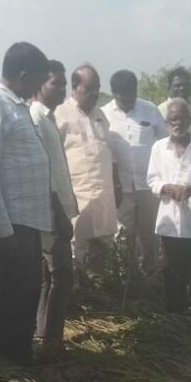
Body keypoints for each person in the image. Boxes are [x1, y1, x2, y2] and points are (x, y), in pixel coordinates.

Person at [0, 42, 52, 364]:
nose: (39, 87)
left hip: (29, 218)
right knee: (11, 294)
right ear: (23, 75)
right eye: (37, 80)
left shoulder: (17, 105)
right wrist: (3, 232)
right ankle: (8, 359)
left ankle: (22, 350)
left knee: (28, 290)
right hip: (12, 222)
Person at [146, 99, 191, 314]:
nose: (177, 123)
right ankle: (174, 312)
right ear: (167, 122)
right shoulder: (159, 148)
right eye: (172, 119)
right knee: (172, 269)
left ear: (189, 120)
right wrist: (167, 187)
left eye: (181, 118)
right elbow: (151, 180)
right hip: (170, 220)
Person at [31, 60, 77, 358]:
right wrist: (60, 214)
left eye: (64, 84)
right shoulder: (35, 118)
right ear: (39, 85)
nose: (62, 89)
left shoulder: (48, 117)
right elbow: (44, 173)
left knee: (50, 276)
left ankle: (44, 334)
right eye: (55, 83)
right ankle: (51, 340)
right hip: (50, 212)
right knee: (61, 274)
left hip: (55, 209)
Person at [102, 69, 168, 272]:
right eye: (124, 95)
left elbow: (165, 142)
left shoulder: (150, 110)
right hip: (121, 188)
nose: (129, 99)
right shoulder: (104, 114)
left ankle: (150, 276)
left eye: (132, 93)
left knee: (149, 234)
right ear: (114, 93)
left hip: (148, 185)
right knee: (123, 235)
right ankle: (127, 277)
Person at [55, 64, 117, 268]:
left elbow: (108, 152)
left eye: (97, 88)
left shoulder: (100, 115)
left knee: (102, 251)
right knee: (77, 253)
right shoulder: (60, 114)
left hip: (104, 197)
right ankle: (78, 297)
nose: (95, 94)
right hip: (77, 198)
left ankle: (98, 296)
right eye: (89, 89)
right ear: (75, 87)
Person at [157, 67, 191, 142]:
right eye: (177, 85)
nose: (182, 88)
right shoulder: (159, 111)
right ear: (169, 87)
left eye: (185, 85)